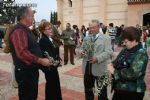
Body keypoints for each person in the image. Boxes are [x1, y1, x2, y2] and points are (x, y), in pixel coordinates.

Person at [9, 7, 52, 100]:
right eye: (32, 16)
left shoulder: (25, 29)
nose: (33, 18)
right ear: (25, 16)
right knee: (28, 97)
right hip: (26, 72)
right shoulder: (19, 31)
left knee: (31, 96)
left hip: (30, 71)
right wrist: (40, 61)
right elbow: (22, 53)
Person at [107, 26, 148, 100]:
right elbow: (117, 62)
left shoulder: (141, 53)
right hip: (119, 89)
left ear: (134, 40)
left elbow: (133, 73)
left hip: (132, 92)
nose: (124, 44)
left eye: (126, 42)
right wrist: (111, 64)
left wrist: (114, 71)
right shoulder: (125, 50)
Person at [80, 19, 113, 100]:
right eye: (90, 27)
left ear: (98, 27)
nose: (91, 29)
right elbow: (80, 48)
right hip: (87, 67)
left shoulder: (106, 38)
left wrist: (97, 58)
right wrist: (81, 52)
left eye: (93, 27)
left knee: (101, 92)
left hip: (100, 68)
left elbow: (109, 52)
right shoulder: (86, 38)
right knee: (88, 91)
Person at [38, 21, 62, 100]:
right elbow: (45, 55)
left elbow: (52, 53)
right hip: (50, 68)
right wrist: (55, 61)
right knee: (52, 87)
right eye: (48, 29)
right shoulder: (43, 40)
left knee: (53, 86)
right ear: (43, 31)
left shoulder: (48, 38)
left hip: (52, 67)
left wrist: (57, 58)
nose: (51, 30)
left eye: (51, 28)